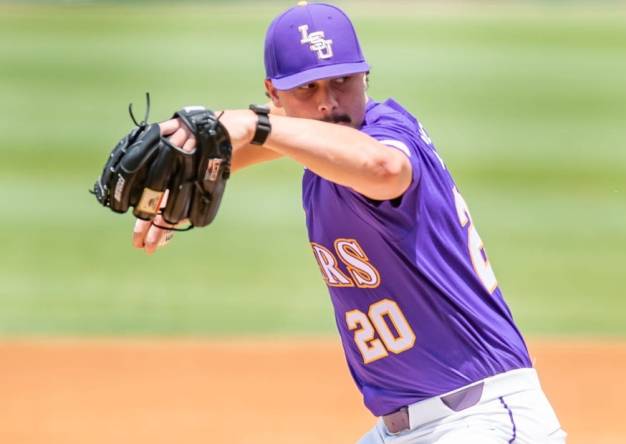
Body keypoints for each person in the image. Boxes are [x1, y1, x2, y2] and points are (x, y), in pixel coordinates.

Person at [132, 2, 566, 443]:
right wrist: (185, 188)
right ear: (274, 95)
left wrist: (254, 126)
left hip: (481, 418)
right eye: (307, 88)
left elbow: (383, 169)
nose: (329, 103)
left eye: (342, 80)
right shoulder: (317, 149)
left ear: (365, 76)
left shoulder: (387, 135)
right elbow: (277, 140)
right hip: (404, 429)